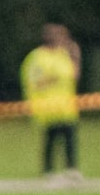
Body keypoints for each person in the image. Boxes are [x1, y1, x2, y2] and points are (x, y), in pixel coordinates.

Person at [23, 23, 82, 181]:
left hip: (66, 106)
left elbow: (74, 76)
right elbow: (34, 81)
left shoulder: (63, 55)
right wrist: (52, 79)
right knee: (50, 138)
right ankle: (48, 170)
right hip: (48, 106)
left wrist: (75, 56)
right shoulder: (37, 57)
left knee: (70, 138)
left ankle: (71, 169)